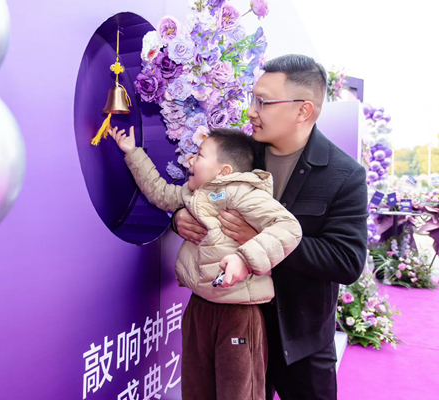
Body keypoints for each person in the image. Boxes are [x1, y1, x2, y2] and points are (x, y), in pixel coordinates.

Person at [173, 54, 368, 400]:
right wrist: (178, 219)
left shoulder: (344, 174)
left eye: (263, 102)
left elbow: (346, 260)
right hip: (235, 325)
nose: (251, 111)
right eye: (253, 99)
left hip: (301, 339)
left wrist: (260, 243)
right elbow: (192, 193)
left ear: (302, 110)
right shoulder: (243, 156)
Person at [110, 125, 302, 400]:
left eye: (200, 154)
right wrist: (132, 152)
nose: (190, 159)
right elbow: (159, 192)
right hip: (200, 307)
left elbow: (288, 227)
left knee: (238, 392)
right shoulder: (193, 194)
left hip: (238, 313)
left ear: (224, 171)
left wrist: (245, 259)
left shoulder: (243, 192)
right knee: (195, 388)